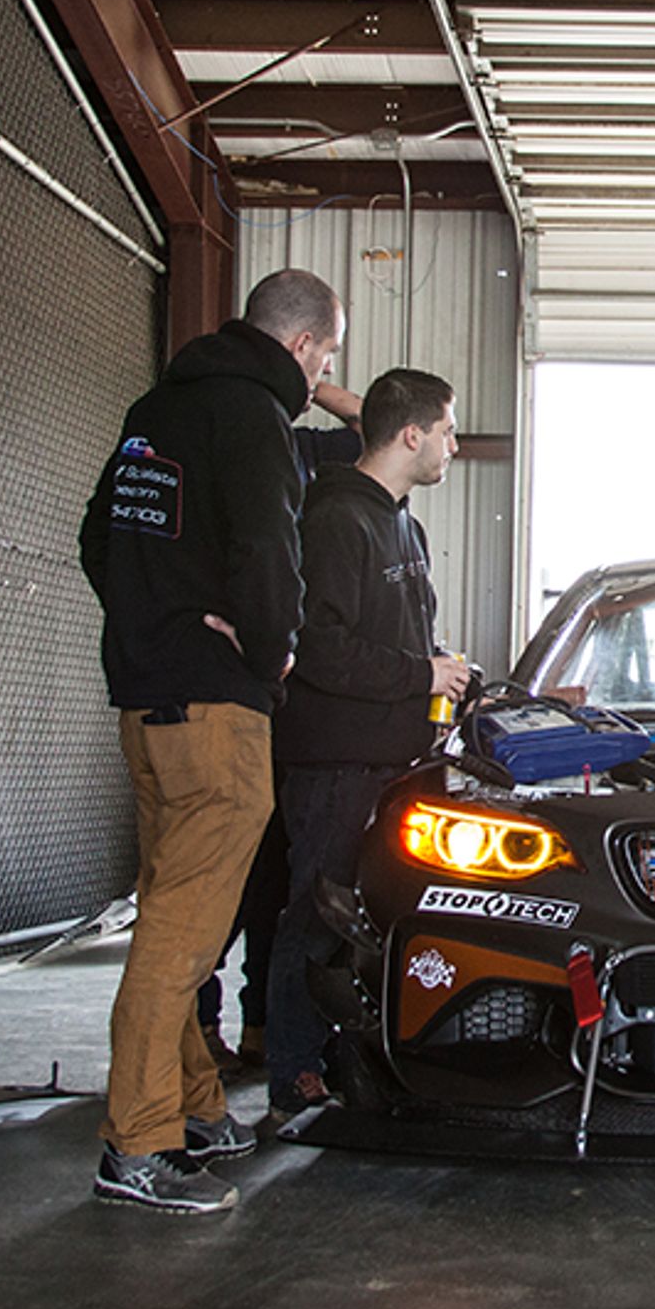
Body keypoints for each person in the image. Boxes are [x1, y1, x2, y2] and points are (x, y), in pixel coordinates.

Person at [76, 268, 344, 1214]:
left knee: (171, 910)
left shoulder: (158, 407)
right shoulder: (256, 420)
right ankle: (137, 1144)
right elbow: (270, 556)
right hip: (218, 711)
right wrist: (267, 655)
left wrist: (156, 625)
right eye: (326, 358)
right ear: (308, 350)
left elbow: (95, 538)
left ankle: (192, 1108)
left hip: (145, 703)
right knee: (183, 933)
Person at [263, 368, 474, 1120]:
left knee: (371, 917)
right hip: (334, 762)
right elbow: (316, 647)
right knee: (316, 912)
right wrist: (422, 670)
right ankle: (292, 1072)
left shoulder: (402, 524)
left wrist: (445, 671)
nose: (454, 444)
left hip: (396, 762)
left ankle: (357, 1054)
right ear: (411, 434)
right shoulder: (335, 520)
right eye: (447, 430)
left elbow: (399, 637)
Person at [199, 406, 364, 1073]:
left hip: (290, 717)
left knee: (275, 883)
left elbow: (372, 420)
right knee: (230, 882)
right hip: (247, 704)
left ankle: (261, 1027)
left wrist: (309, 378)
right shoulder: (237, 448)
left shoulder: (300, 448)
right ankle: (200, 1022)